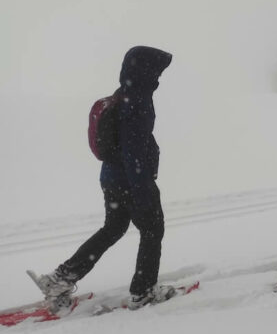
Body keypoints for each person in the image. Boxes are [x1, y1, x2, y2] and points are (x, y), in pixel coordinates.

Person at [32, 46, 176, 310]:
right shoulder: (137, 102)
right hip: (131, 179)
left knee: (114, 228)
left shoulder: (123, 94)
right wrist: (142, 189)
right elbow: (133, 151)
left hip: (111, 178)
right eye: (157, 71)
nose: (159, 77)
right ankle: (143, 292)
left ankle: (60, 278)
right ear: (145, 71)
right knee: (153, 229)